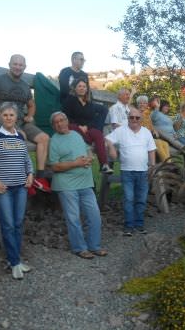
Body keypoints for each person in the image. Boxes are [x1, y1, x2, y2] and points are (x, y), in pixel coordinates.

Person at [0, 54, 51, 193]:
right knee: (21, 136)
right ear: (9, 64)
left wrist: (30, 116)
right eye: (15, 64)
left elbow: (31, 105)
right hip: (1, 122)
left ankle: (39, 177)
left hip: (20, 121)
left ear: (24, 67)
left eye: (20, 65)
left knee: (44, 138)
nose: (18, 67)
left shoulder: (25, 86)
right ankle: (24, 177)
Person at [48, 111, 107, 259]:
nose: (60, 123)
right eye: (56, 122)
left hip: (85, 183)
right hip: (66, 185)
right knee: (73, 218)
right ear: (53, 126)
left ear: (67, 121)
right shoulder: (54, 141)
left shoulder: (76, 135)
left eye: (62, 120)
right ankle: (79, 248)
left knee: (94, 216)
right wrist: (76, 163)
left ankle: (94, 246)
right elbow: (54, 166)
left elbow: (86, 149)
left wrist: (89, 157)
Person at [0, 103, 34, 280]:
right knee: (7, 225)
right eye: (5, 115)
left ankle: (16, 259)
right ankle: (14, 262)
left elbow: (26, 159)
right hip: (3, 189)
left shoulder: (20, 138)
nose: (8, 118)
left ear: (16, 118)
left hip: (20, 187)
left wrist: (30, 173)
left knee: (18, 223)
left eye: (11, 115)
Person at [106, 107, 156, 236]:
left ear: (141, 119)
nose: (134, 119)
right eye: (131, 117)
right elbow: (107, 139)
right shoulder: (121, 130)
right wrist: (111, 148)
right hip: (127, 171)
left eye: (137, 117)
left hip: (143, 172)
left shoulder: (146, 132)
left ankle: (139, 224)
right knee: (128, 199)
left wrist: (152, 166)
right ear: (128, 118)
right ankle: (128, 225)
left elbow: (151, 150)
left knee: (141, 199)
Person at [62, 78, 113, 174]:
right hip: (74, 128)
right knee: (72, 127)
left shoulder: (89, 103)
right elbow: (66, 117)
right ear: (75, 88)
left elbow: (92, 119)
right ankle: (89, 142)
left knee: (97, 133)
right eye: (79, 86)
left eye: (84, 86)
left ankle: (104, 165)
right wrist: (79, 126)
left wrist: (87, 127)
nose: (82, 88)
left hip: (87, 129)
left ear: (87, 89)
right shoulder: (70, 100)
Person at [59, 51, 108, 131]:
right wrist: (79, 99)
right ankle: (86, 130)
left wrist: (90, 102)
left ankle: (97, 131)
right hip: (69, 102)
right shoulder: (65, 72)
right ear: (74, 60)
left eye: (83, 60)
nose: (83, 62)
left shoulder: (84, 74)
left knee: (103, 109)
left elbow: (87, 90)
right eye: (81, 59)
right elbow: (64, 90)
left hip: (84, 102)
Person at [136, 95, 170, 162]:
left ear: (146, 105)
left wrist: (154, 130)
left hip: (149, 137)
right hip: (140, 138)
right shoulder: (136, 114)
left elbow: (150, 125)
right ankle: (168, 164)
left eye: (144, 103)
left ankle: (169, 162)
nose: (142, 104)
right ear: (138, 104)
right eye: (140, 103)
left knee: (165, 143)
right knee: (158, 144)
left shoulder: (147, 114)